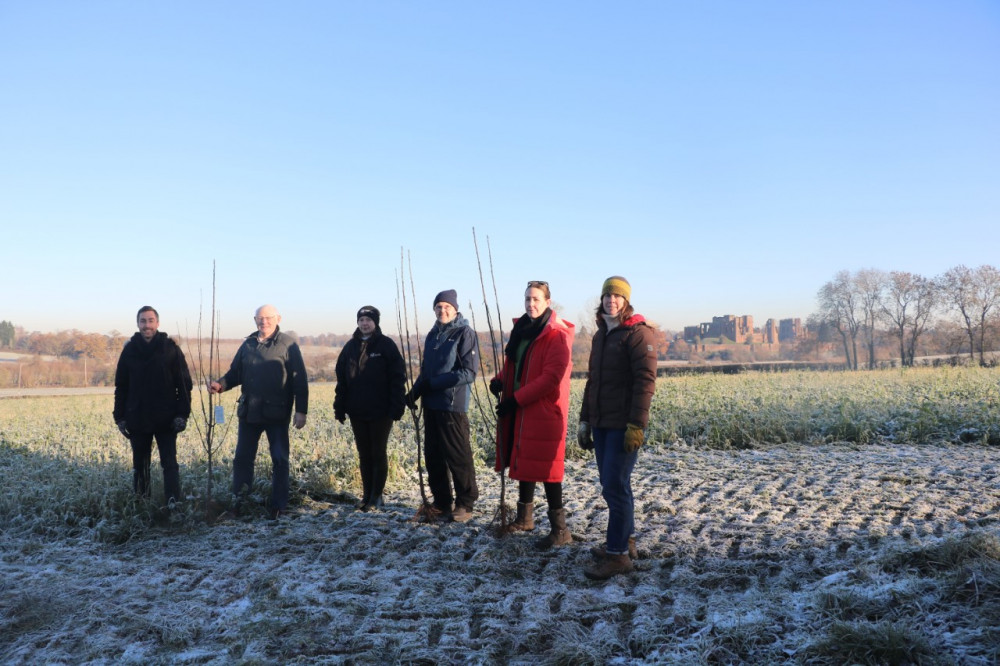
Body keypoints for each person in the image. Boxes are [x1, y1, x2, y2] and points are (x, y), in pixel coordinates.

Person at [578, 276, 657, 580]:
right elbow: (592, 382)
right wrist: (586, 419)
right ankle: (626, 540)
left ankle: (617, 556)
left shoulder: (637, 334)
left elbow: (645, 382)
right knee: (614, 486)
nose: (611, 300)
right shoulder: (601, 335)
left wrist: (637, 424)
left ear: (626, 301)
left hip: (623, 424)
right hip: (602, 423)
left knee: (615, 485)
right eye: (607, 296)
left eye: (617, 296)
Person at [491, 281, 575, 548]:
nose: (531, 304)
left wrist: (516, 399)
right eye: (528, 299)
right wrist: (500, 380)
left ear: (548, 302)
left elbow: (550, 378)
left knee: (549, 471)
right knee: (523, 459)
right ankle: (524, 518)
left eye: (536, 299)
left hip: (544, 410)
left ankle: (560, 531)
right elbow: (517, 365)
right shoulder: (523, 330)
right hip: (521, 407)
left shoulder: (556, 334)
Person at [209, 304, 308, 519]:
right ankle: (239, 505)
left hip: (277, 414)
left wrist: (301, 411)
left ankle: (279, 507)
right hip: (249, 413)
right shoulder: (248, 344)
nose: (264, 322)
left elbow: (299, 379)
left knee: (279, 460)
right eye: (260, 318)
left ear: (278, 318)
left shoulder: (287, 345)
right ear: (255, 320)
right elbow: (235, 373)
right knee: (242, 459)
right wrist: (221, 384)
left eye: (268, 318)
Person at [405, 289, 479, 522]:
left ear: (455, 309)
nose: (442, 310)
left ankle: (465, 503)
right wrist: (414, 393)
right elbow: (426, 372)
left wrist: (434, 384)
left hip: (452, 405)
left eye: (447, 306)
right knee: (433, 456)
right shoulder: (432, 335)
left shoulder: (464, 333)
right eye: (438, 307)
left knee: (458, 456)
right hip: (431, 406)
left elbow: (468, 373)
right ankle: (441, 502)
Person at [113, 306, 193, 507]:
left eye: (150, 320)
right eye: (142, 321)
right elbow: (121, 386)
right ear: (138, 324)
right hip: (137, 417)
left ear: (157, 323)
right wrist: (120, 417)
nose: (146, 325)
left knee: (170, 465)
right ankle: (142, 507)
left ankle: (173, 507)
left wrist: (182, 414)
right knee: (140, 466)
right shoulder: (129, 350)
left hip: (166, 418)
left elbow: (184, 384)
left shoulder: (170, 348)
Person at [334, 306, 407, 512]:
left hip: (381, 411)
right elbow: (342, 379)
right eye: (361, 319)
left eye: (368, 320)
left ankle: (377, 496)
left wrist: (397, 404)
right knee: (364, 453)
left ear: (376, 322)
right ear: (357, 322)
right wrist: (339, 406)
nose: (365, 323)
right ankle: (366, 495)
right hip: (357, 410)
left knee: (377, 452)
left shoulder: (385, 345)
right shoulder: (350, 347)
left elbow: (397, 376)